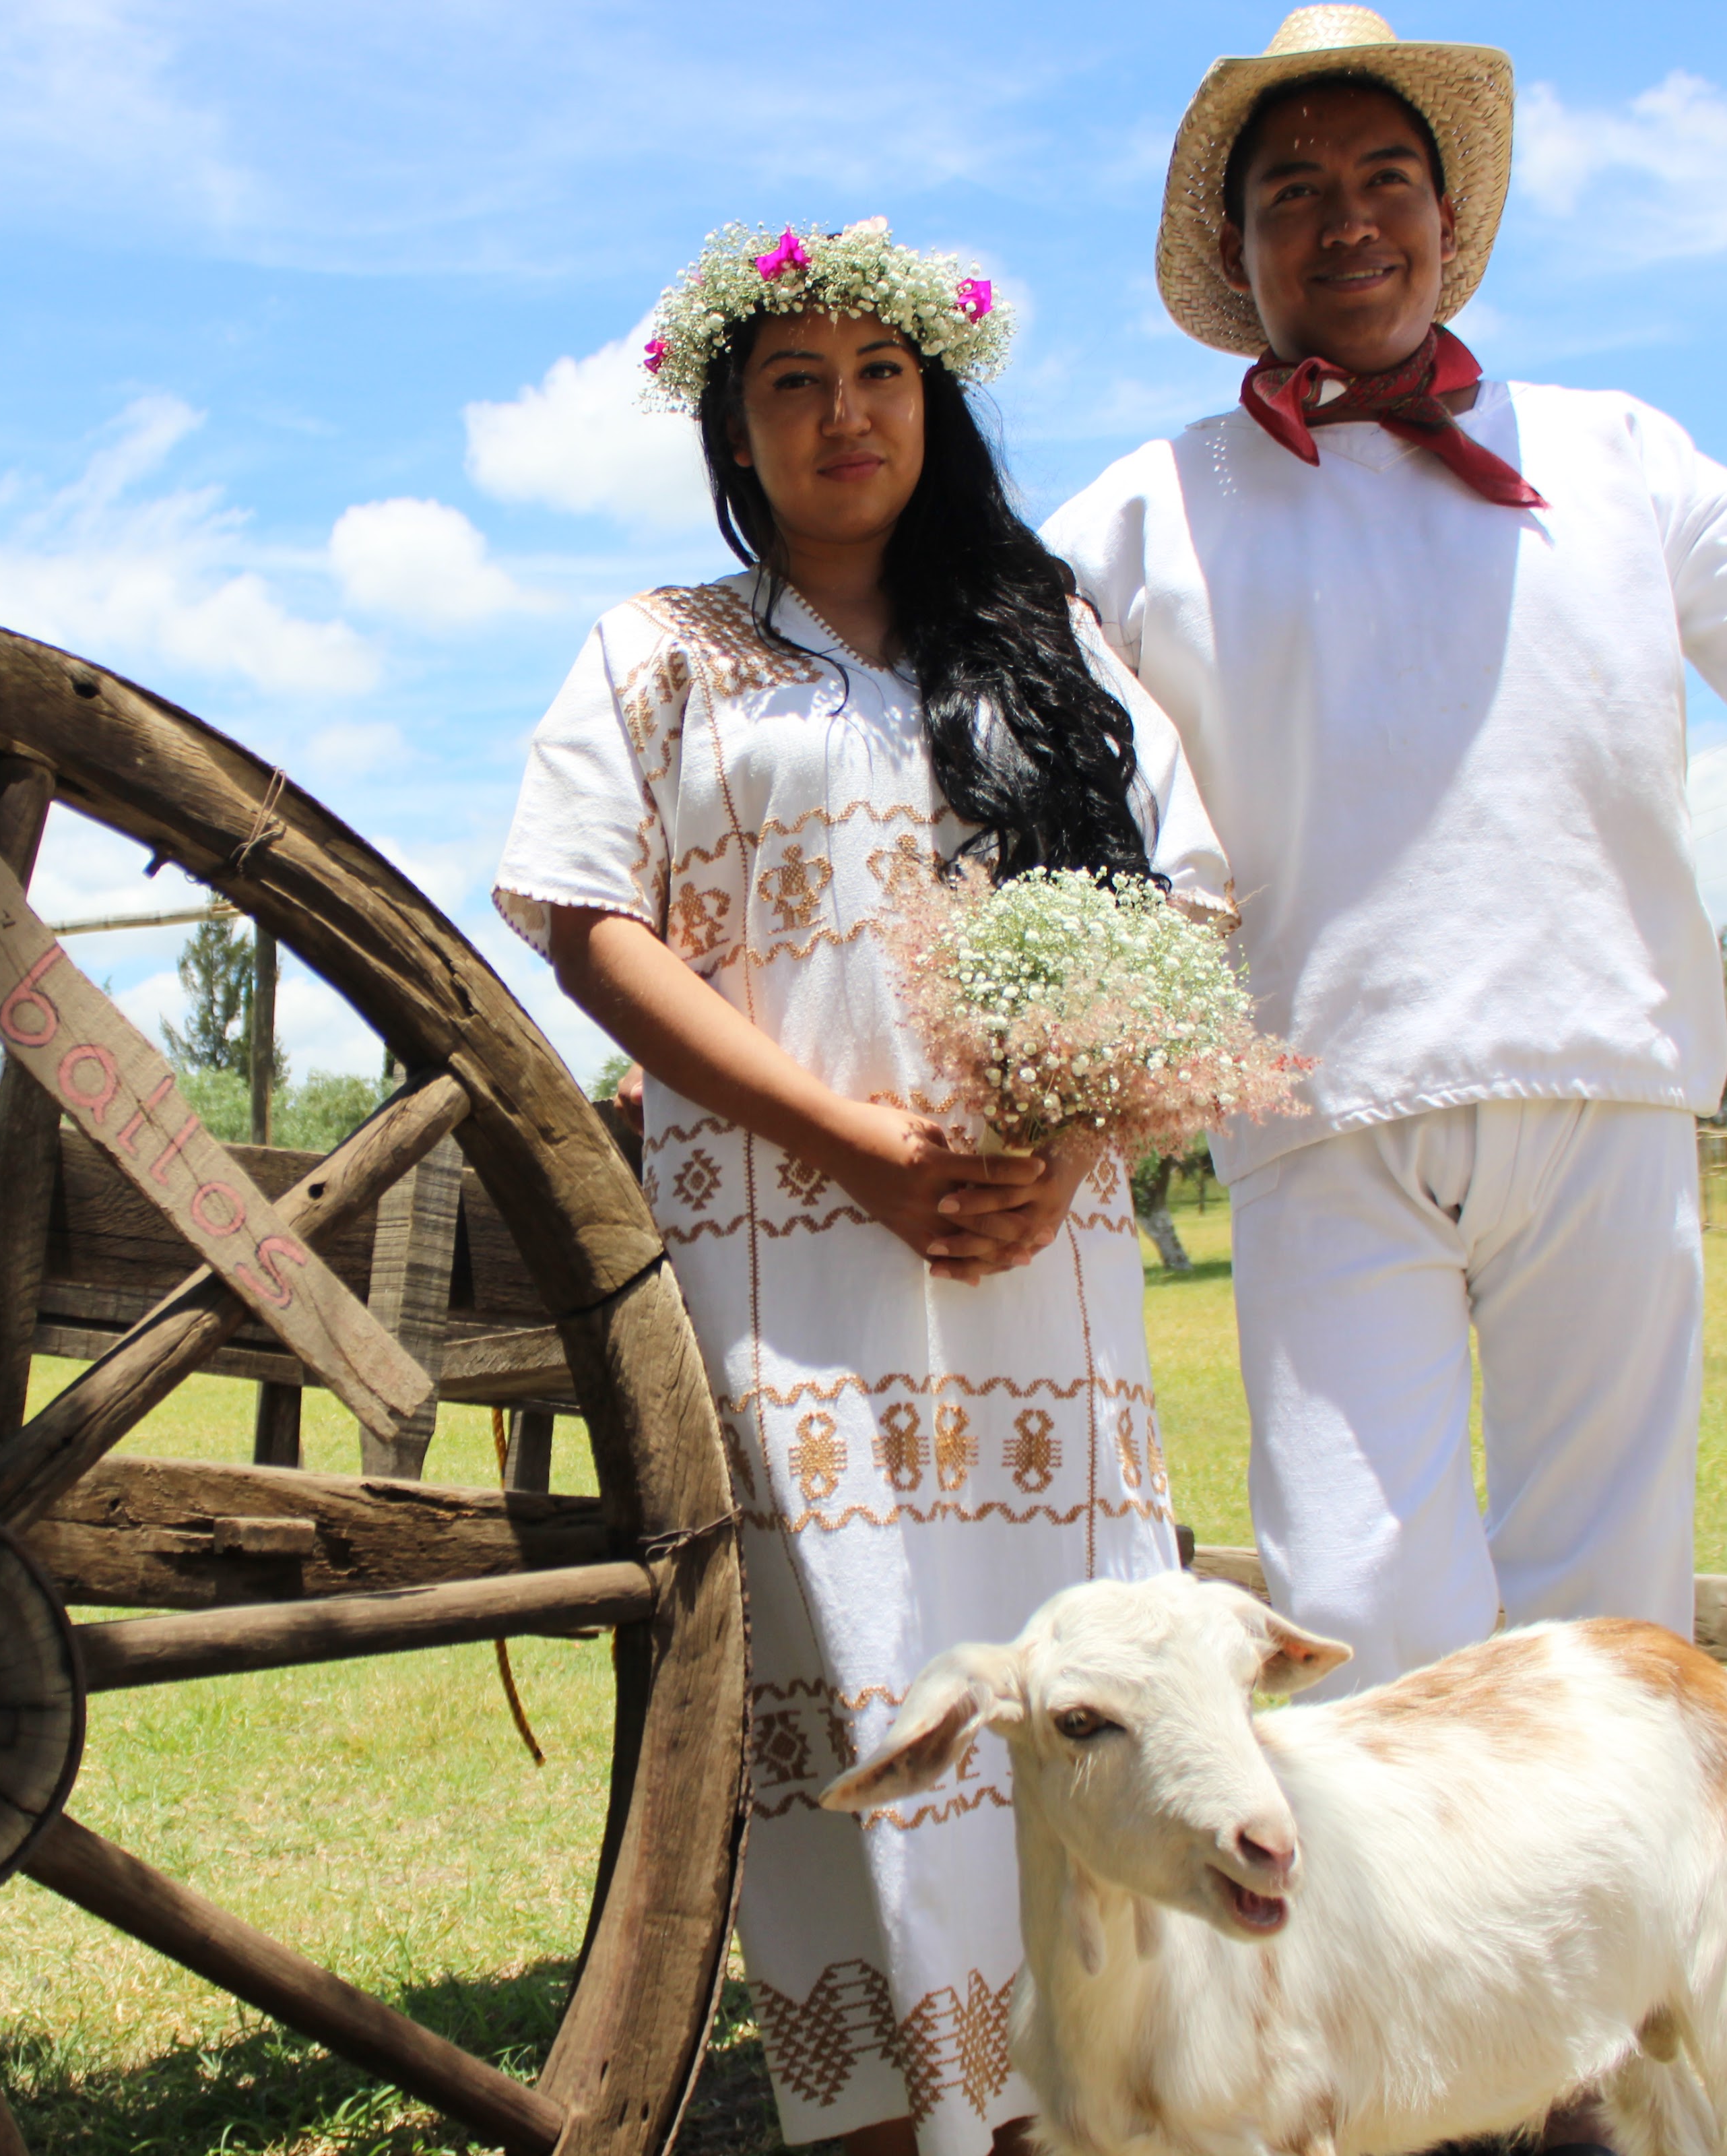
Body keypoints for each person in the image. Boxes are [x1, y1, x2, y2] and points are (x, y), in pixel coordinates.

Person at [1042, 14, 1727, 1697]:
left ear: (1451, 222)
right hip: (1318, 1096)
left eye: (1389, 178)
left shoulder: (1611, 449)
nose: (1350, 220)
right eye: (1294, 189)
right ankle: (1410, 1962)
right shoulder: (1142, 514)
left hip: (1598, 1060)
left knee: (1611, 1583)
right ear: (1239, 254)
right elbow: (1023, 759)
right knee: (1362, 1593)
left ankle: (1603, 1962)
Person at [494, 220, 1230, 2156]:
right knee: (851, 1679)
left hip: (1040, 1283)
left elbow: (1191, 896)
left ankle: (1103, 2104)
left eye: (879, 377)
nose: (842, 416)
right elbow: (587, 918)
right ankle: (893, 2128)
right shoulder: (658, 651)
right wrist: (852, 1148)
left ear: (937, 401)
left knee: (1082, 1680)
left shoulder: (1052, 647)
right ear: (735, 428)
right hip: (782, 1275)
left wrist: (1067, 1140)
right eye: (793, 383)